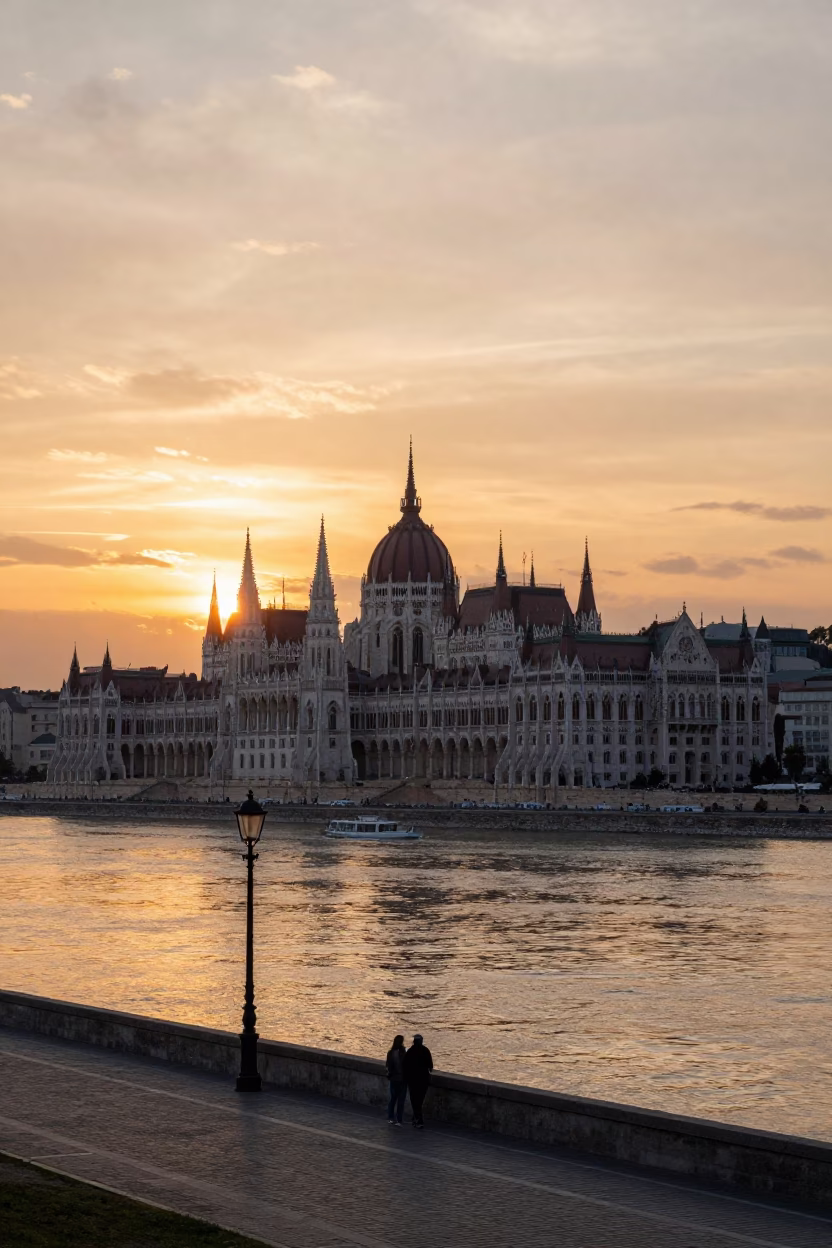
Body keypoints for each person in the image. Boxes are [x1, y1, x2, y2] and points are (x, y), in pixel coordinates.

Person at [404, 1033, 433, 1128]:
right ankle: (417, 1118)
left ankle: (417, 1119)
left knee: (414, 1099)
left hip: (412, 1079)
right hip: (424, 1079)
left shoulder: (410, 1051)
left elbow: (405, 1065)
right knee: (420, 1100)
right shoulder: (426, 1050)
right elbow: (430, 1066)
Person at [385, 1034, 407, 1126]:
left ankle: (390, 1118)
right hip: (402, 1079)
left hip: (394, 1079)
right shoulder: (404, 1053)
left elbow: (388, 1066)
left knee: (393, 1099)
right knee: (401, 1100)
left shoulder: (390, 1053)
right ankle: (399, 1119)